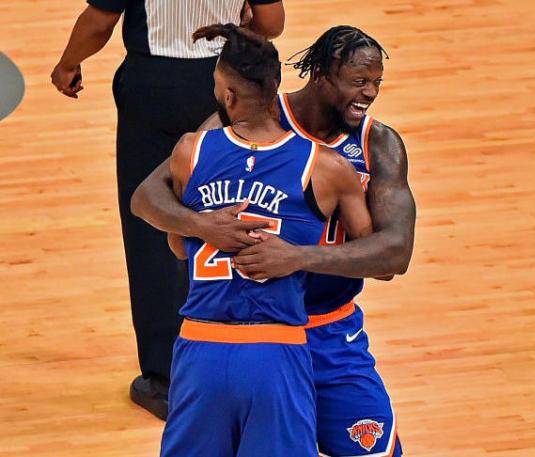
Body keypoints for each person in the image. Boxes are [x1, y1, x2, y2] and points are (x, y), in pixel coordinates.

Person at [132, 26, 415, 456]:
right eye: (359, 81)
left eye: (377, 82)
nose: (371, 93)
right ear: (321, 75)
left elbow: (395, 254)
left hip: (328, 331)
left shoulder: (379, 143)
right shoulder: (247, 114)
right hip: (257, 331)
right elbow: (149, 194)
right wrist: (203, 225)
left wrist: (298, 257)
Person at [50, 0, 285, 419]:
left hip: (153, 85)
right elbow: (272, 22)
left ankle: (166, 381)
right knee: (229, 209)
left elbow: (100, 21)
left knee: (152, 228)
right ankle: (239, 358)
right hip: (225, 84)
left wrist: (68, 63)